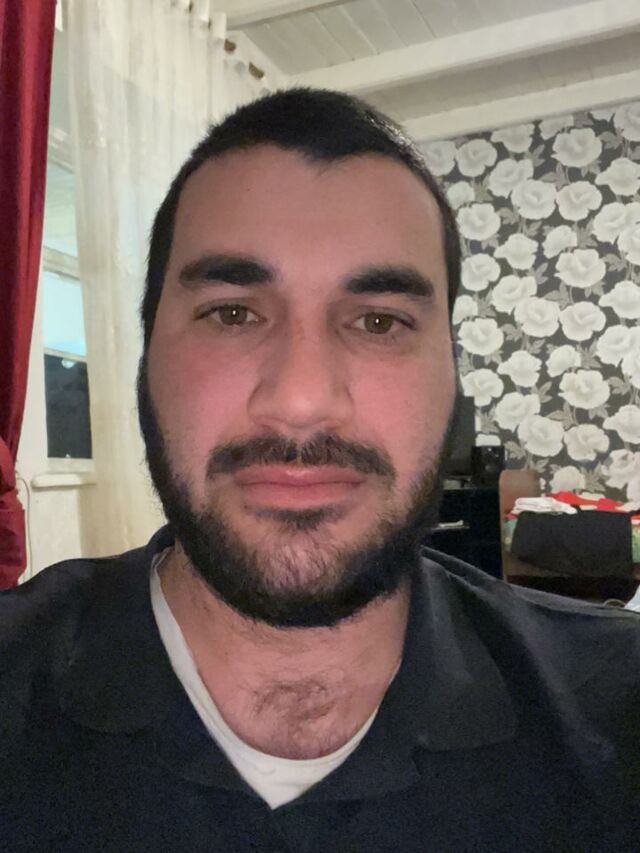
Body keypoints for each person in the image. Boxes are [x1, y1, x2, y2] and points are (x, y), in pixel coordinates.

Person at [1, 88, 638, 852]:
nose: (301, 401)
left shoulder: (620, 711)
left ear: (451, 376)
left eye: (379, 321)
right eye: (232, 313)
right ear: (146, 363)